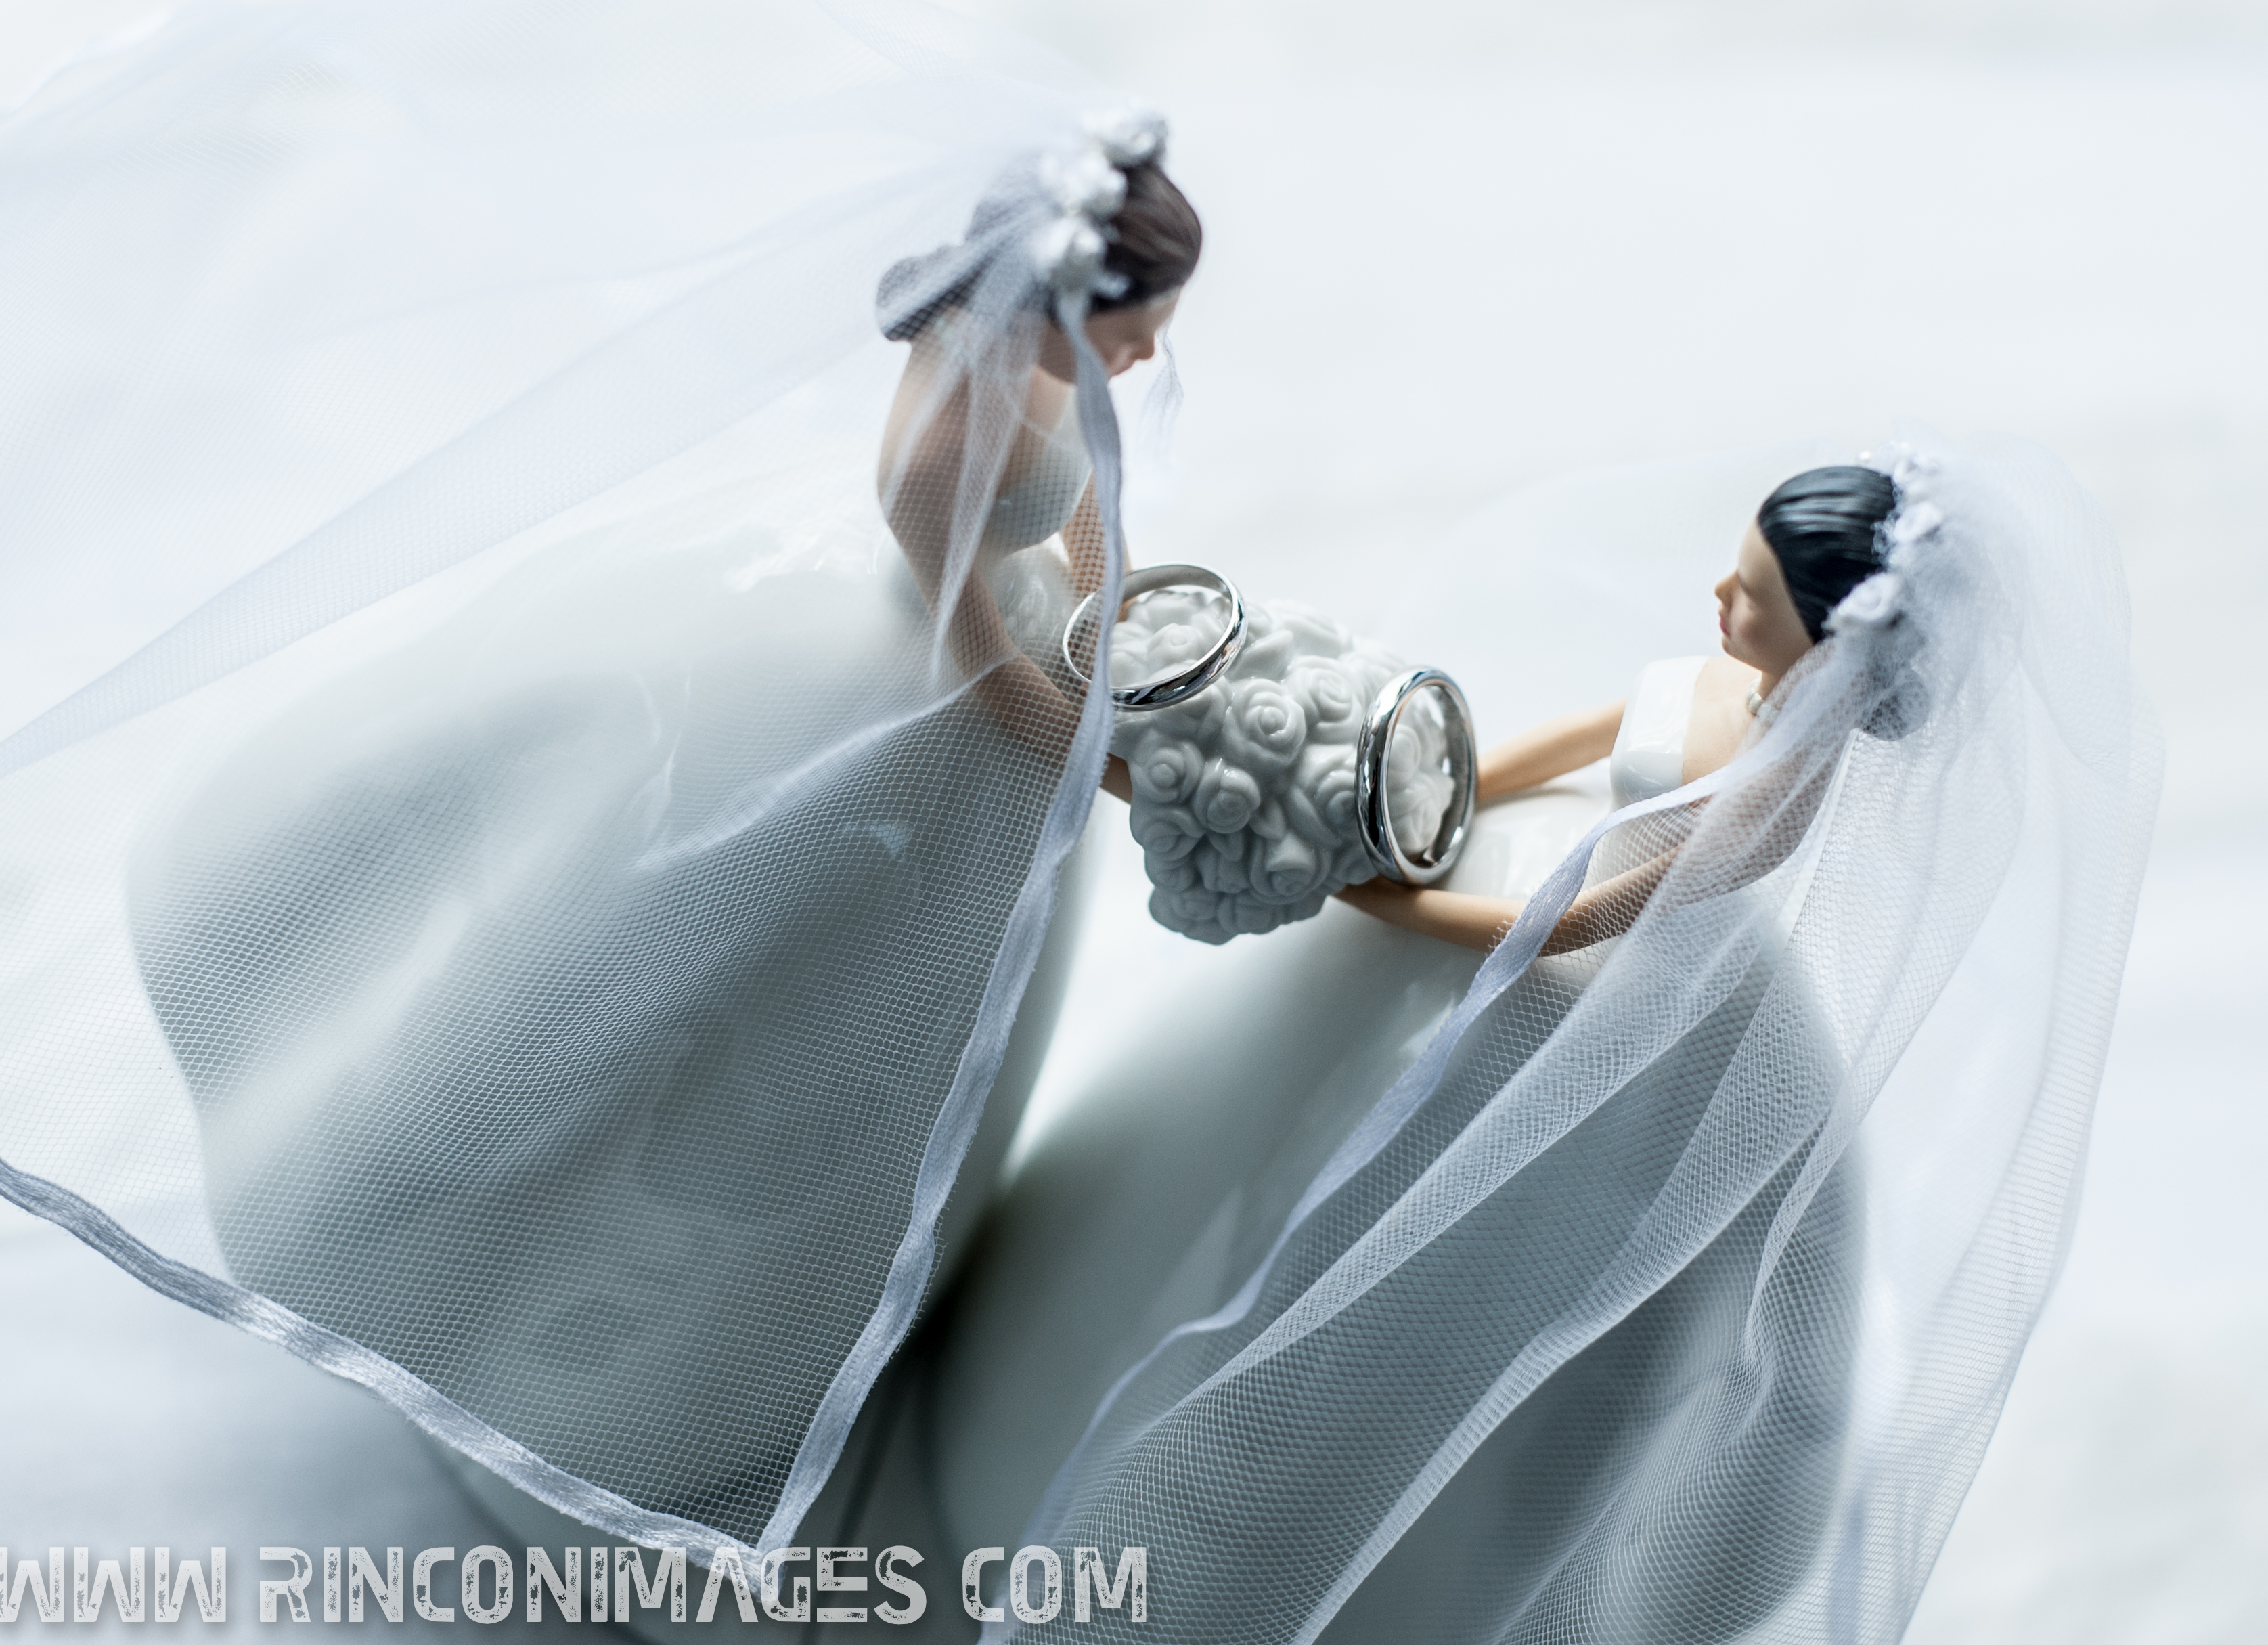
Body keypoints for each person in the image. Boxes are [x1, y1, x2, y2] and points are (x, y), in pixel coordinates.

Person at [0, 0, 1195, 1568]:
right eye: (1137, 330)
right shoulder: (958, 409)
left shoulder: (1047, 383)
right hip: (889, 702)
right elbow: (942, 565)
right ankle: (469, 1274)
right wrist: (1041, 706)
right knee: (662, 981)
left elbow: (1076, 519)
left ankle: (717, 1341)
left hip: (977, 722)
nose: (1148, 356)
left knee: (842, 1056)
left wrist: (1098, 624)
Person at [829, 447, 2153, 1643]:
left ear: (1823, 646)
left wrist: (1403, 903)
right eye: (1735, 564)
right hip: (1499, 902)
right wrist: (1416, 796)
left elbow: (1587, 921)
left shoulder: (1769, 798)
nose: (1718, 595)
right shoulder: (1709, 687)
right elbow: (1561, 748)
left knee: (1450, 1273)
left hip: (1599, 1016)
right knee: (1269, 1135)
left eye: (1752, 591)